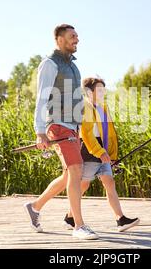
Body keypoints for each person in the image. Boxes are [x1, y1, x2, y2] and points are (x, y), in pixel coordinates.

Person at [23, 24, 99, 240]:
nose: (77, 39)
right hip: (57, 124)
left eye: (77, 36)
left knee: (69, 173)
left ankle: (34, 207)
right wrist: (40, 131)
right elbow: (41, 98)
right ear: (59, 39)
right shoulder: (49, 64)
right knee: (76, 170)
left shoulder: (74, 68)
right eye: (72, 36)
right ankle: (79, 226)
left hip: (72, 126)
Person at [63, 77, 140, 232]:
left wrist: (112, 154)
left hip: (102, 149)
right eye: (99, 89)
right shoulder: (84, 106)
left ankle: (121, 219)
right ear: (88, 92)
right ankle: (70, 217)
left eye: (103, 89)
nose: (102, 92)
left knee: (109, 182)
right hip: (89, 150)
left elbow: (110, 133)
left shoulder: (103, 108)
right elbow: (87, 134)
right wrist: (99, 151)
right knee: (83, 185)